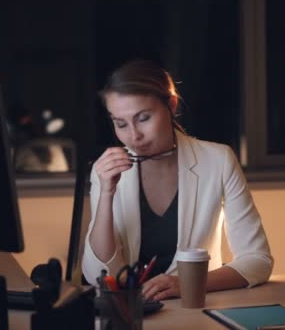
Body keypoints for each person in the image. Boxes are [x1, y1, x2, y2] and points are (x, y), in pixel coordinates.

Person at [82, 60, 273, 301]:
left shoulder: (218, 160)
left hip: (195, 309)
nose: (133, 136)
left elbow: (258, 260)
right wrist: (107, 193)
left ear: (171, 105)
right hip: (130, 314)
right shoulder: (107, 170)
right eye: (120, 124)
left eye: (143, 118)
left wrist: (189, 283)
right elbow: (97, 274)